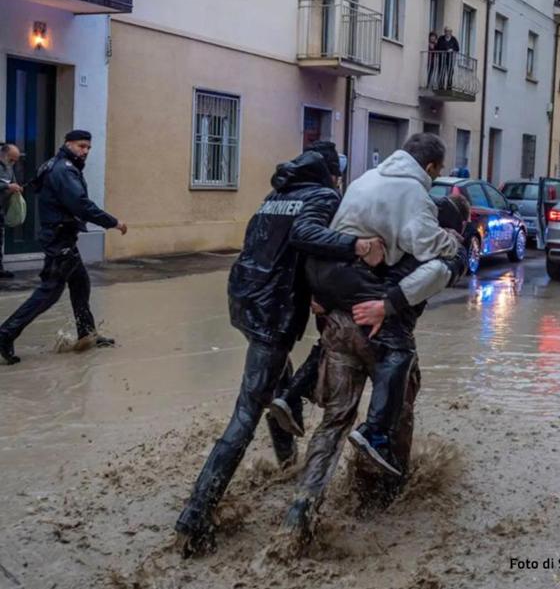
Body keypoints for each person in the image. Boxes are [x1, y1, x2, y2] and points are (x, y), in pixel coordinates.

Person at [174, 142, 385, 557]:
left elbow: (271, 244)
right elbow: (306, 236)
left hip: (246, 300)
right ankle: (195, 515)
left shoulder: (278, 195)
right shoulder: (322, 196)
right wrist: (357, 247)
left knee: (274, 381)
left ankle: (286, 461)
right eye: (338, 170)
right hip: (274, 313)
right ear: (330, 171)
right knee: (246, 412)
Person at [280, 195, 469, 541]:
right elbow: (434, 274)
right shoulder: (440, 248)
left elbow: (335, 254)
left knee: (334, 421)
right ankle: (381, 498)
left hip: (341, 326)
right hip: (386, 336)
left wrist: (319, 295)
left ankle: (301, 508)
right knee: (396, 414)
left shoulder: (384, 226)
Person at [0, 131, 126, 364]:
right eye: (81, 146)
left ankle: (87, 334)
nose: (85, 151)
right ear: (68, 144)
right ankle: (6, 333)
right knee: (50, 292)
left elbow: (36, 185)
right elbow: (80, 204)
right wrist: (113, 222)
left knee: (80, 283)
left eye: (88, 147)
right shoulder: (65, 169)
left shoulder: (52, 164)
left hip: (61, 235)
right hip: (59, 237)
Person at [0, 143, 24, 279]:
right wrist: (7, 185)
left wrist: (17, 187)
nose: (13, 163)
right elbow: (6, 183)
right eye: (11, 159)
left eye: (15, 160)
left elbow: (12, 180)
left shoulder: (9, 167)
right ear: (3, 155)